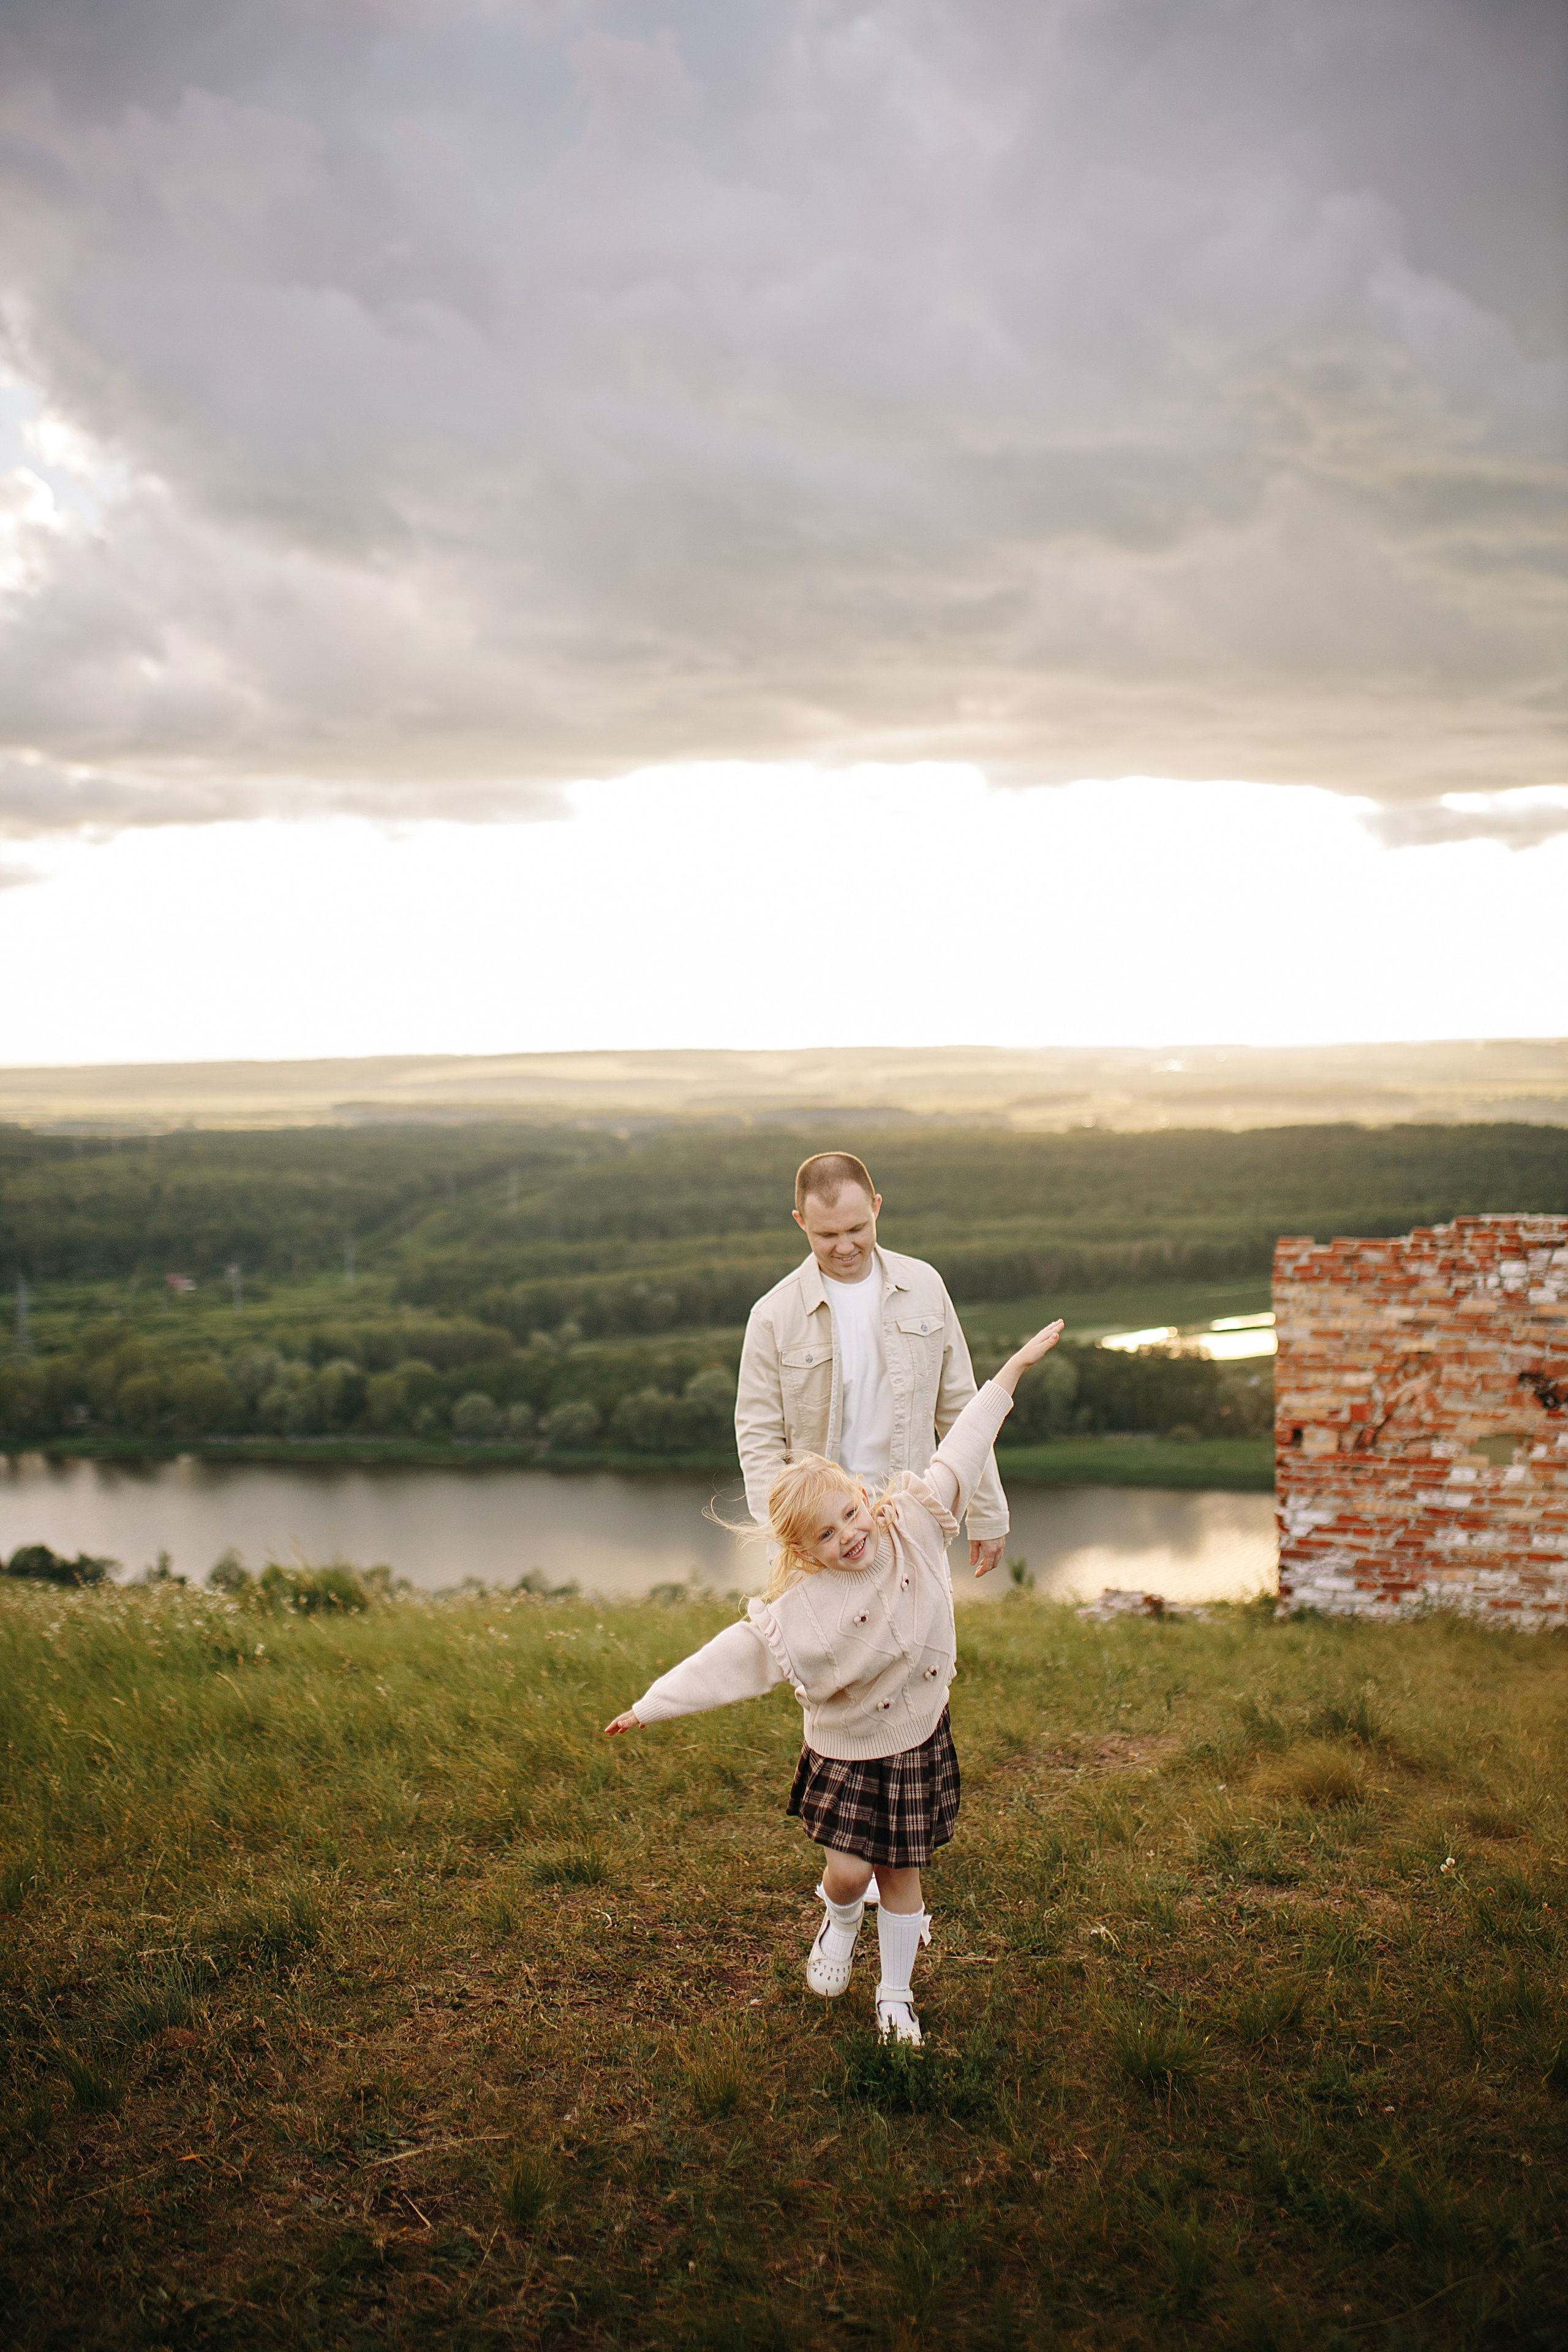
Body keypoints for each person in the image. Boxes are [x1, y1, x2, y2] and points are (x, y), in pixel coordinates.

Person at [605, 1317, 1065, 2045]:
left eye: (850, 1513)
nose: (849, 1534)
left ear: (862, 1495)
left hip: (914, 1739)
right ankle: (840, 1920)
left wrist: (1011, 1371)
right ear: (804, 1552)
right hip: (847, 1753)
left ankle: (895, 1995)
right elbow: (730, 1659)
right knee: (850, 1874)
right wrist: (649, 1706)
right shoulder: (802, 1610)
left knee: (901, 1872)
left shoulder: (911, 1523)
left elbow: (964, 1444)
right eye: (826, 1533)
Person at [734, 1151, 1009, 1578]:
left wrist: (987, 1513)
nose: (845, 1247)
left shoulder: (925, 1286)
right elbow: (759, 1442)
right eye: (827, 1234)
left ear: (876, 1207)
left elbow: (962, 1411)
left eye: (857, 1229)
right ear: (801, 1222)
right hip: (821, 1544)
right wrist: (784, 1543)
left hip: (913, 1526)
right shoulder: (772, 1316)